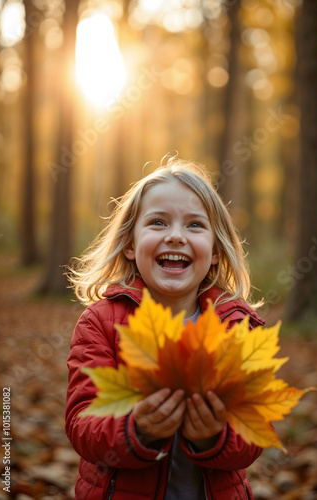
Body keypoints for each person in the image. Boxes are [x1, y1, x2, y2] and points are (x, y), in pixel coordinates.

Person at [65, 156, 265, 500]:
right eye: (158, 223)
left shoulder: (236, 328)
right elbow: (82, 422)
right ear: (130, 244)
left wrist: (211, 435)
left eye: (194, 225)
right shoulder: (101, 322)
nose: (175, 236)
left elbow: (257, 431)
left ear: (216, 251)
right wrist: (135, 428)